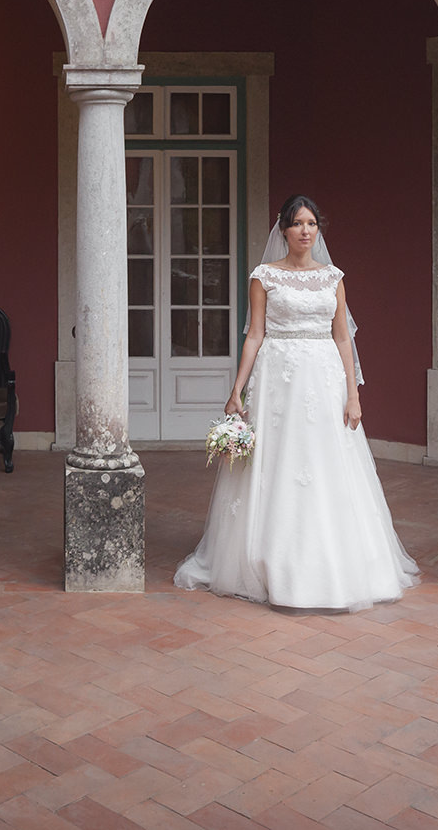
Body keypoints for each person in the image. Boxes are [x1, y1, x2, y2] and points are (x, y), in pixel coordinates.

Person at [174, 194, 419, 611]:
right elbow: (254, 334)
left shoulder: (333, 277)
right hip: (277, 379)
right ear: (283, 230)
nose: (306, 230)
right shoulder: (264, 276)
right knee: (279, 461)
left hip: (324, 380)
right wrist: (237, 389)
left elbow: (344, 337)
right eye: (298, 223)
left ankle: (337, 561)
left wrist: (354, 395)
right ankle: (269, 557)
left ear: (317, 230)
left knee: (326, 461)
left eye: (312, 223)